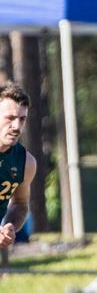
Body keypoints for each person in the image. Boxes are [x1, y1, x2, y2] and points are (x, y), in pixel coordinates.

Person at [0, 82, 36, 248]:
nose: (16, 126)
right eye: (10, 118)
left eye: (22, 119)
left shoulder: (25, 162)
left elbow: (20, 204)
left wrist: (9, 226)